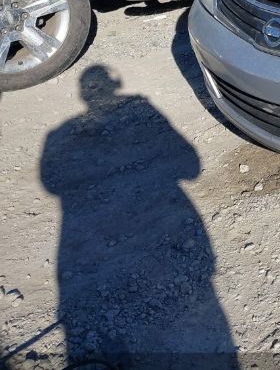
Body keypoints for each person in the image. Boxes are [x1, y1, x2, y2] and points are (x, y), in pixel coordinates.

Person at [40, 65, 237, 369]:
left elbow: (50, 183)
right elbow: (192, 167)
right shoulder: (140, 105)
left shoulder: (56, 133)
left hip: (76, 240)